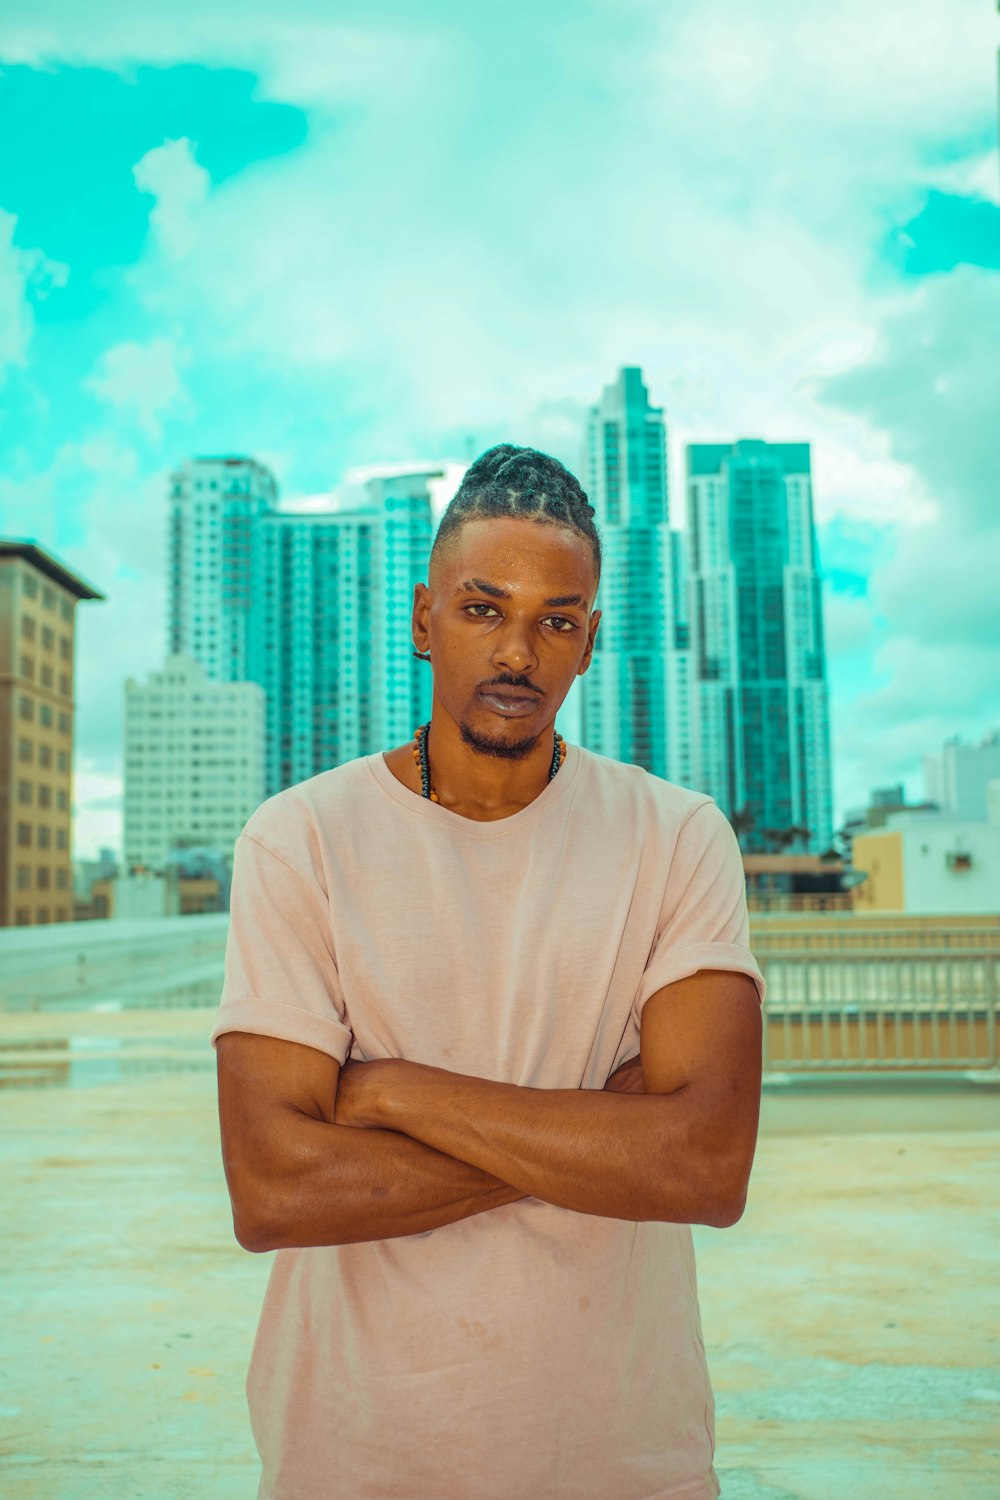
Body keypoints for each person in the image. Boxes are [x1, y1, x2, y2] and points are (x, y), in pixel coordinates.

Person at [212, 443, 766, 1500]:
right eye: (482, 608)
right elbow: (276, 1189)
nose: (518, 649)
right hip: (358, 1457)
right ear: (424, 619)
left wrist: (391, 1095)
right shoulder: (302, 841)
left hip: (621, 1460)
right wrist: (600, 1136)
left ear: (590, 642)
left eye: (556, 619)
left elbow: (701, 1167)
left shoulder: (677, 836)